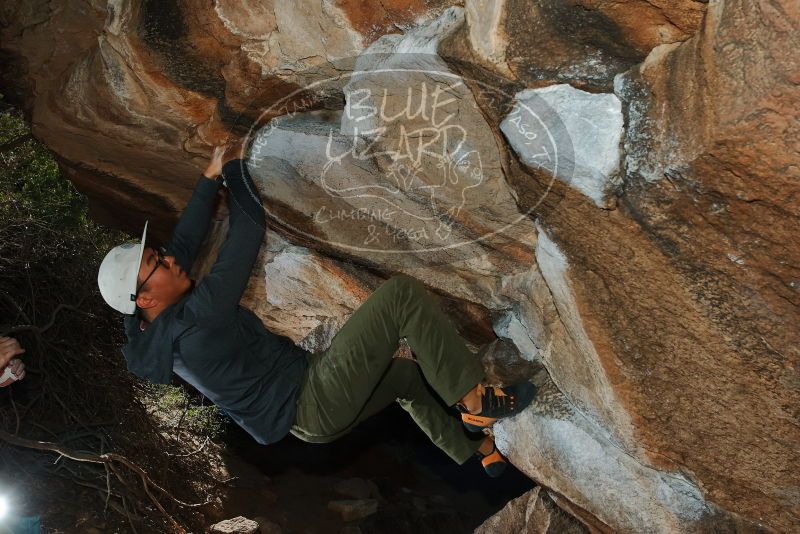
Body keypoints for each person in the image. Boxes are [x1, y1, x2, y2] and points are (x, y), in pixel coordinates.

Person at [97, 143, 535, 477]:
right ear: (147, 298)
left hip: (303, 413)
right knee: (401, 296)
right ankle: (475, 401)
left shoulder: (146, 325)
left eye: (155, 254)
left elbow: (183, 246)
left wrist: (209, 178)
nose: (169, 259)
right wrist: (235, 169)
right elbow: (247, 230)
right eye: (156, 264)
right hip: (312, 400)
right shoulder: (196, 322)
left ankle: (475, 450)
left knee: (405, 377)